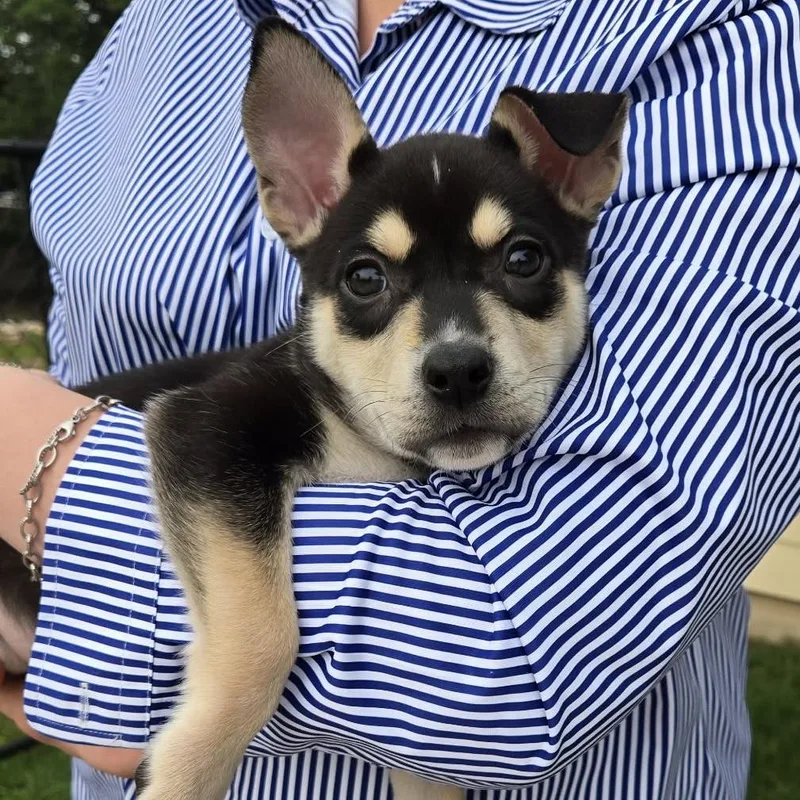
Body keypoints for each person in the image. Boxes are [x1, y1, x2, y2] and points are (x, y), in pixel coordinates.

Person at [1, 0, 799, 797]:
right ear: (298, 196)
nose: (453, 354)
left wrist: (39, 479)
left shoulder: (726, 30)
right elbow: (148, 410)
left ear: (576, 175)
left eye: (519, 260)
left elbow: (528, 656)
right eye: (367, 277)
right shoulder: (156, 29)